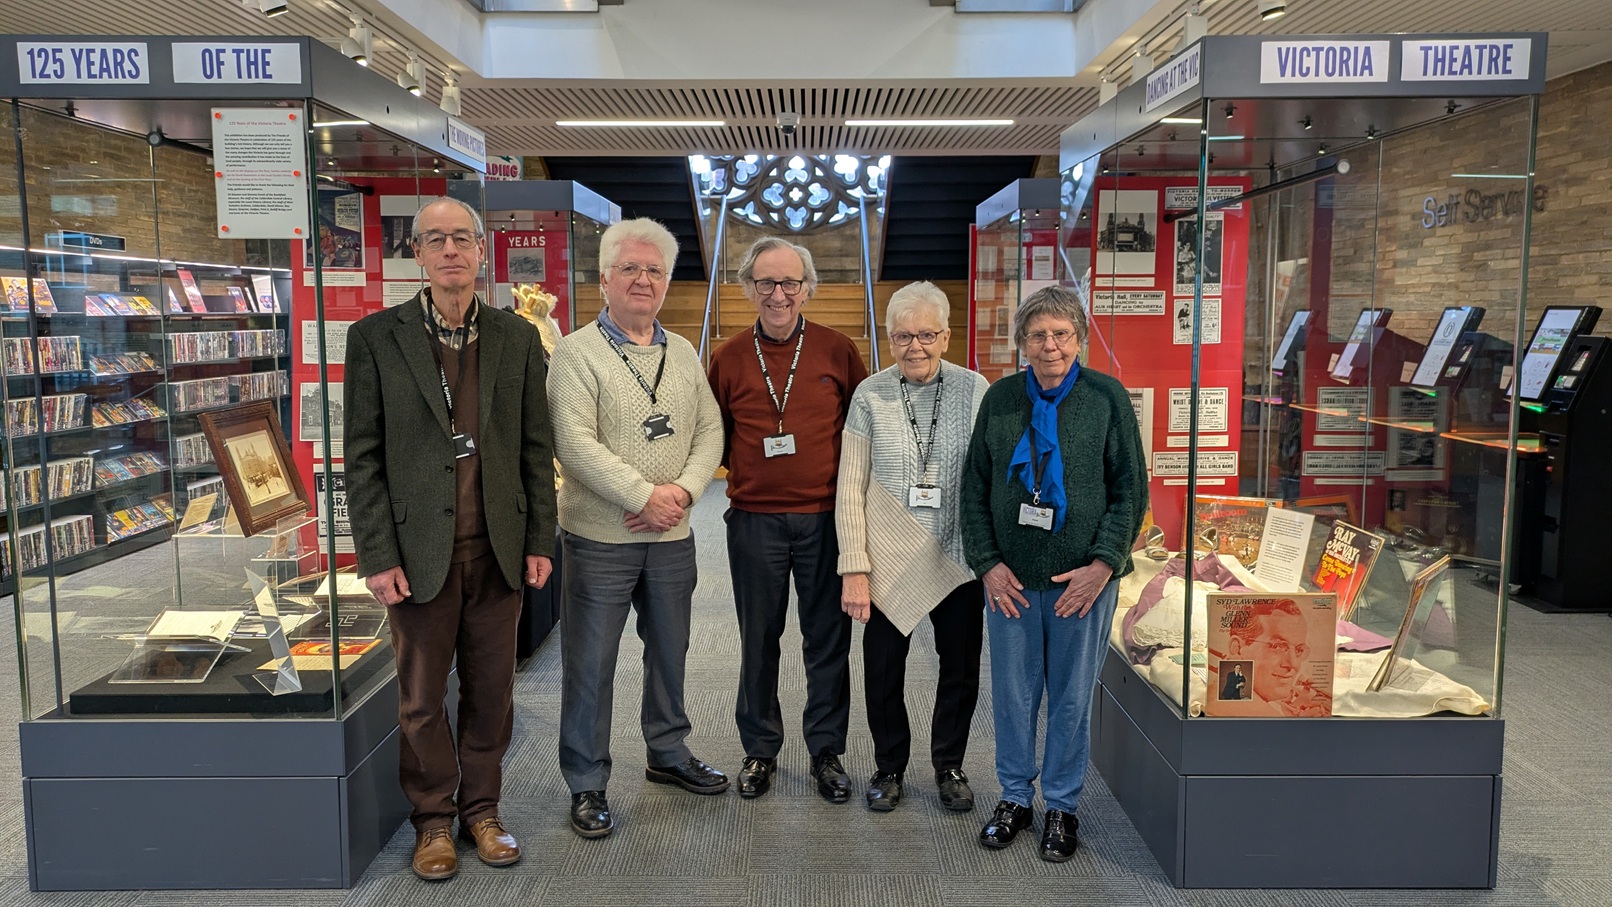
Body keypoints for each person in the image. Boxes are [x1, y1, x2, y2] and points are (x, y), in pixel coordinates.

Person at [345, 196, 557, 881]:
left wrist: (541, 540)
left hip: (496, 550)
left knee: (492, 693)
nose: (450, 250)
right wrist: (376, 554)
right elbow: (363, 456)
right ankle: (433, 820)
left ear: (480, 249)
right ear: (418, 254)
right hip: (416, 556)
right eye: (435, 239)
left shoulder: (516, 338)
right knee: (421, 697)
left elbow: (534, 447)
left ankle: (483, 811)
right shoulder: (377, 337)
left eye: (461, 237)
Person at [547, 218, 728, 839]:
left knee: (671, 652)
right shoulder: (575, 353)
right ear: (605, 280)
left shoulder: (680, 352)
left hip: (673, 537)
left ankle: (668, 753)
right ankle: (587, 780)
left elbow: (710, 431)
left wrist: (680, 493)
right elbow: (574, 444)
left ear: (668, 281)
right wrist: (643, 495)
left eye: (655, 271)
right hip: (601, 538)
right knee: (591, 662)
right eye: (630, 269)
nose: (643, 280)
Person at [961, 285, 1147, 862]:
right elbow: (975, 490)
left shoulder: (1106, 398)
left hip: (1082, 585)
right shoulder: (1000, 399)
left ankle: (1062, 806)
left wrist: (1103, 565)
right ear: (1022, 342)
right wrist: (988, 566)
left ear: (1079, 340)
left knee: (1070, 699)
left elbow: (1130, 492)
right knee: (1013, 696)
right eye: (1038, 335)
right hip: (1012, 583)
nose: (1050, 346)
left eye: (1061, 335)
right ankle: (1015, 798)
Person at [708, 236, 868, 802]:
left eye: (790, 283)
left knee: (828, 641)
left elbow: (860, 433)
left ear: (807, 288)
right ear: (749, 287)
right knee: (759, 638)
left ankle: (826, 751)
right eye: (766, 283)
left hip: (826, 519)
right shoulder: (727, 356)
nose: (778, 294)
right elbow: (716, 437)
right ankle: (759, 750)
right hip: (753, 520)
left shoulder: (837, 350)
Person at [836, 281, 988, 812]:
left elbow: (990, 479)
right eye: (902, 336)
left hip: (958, 553)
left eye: (926, 334)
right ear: (888, 337)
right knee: (882, 672)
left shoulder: (975, 389)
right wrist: (853, 567)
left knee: (961, 669)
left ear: (947, 336)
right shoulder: (869, 394)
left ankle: (949, 764)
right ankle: (888, 766)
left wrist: (989, 559)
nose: (915, 346)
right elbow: (848, 487)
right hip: (885, 557)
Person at [1226, 599, 1312, 713]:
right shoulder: (1223, 707)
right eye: (1277, 646)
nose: (1293, 663)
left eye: (1299, 650)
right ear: (1237, 649)